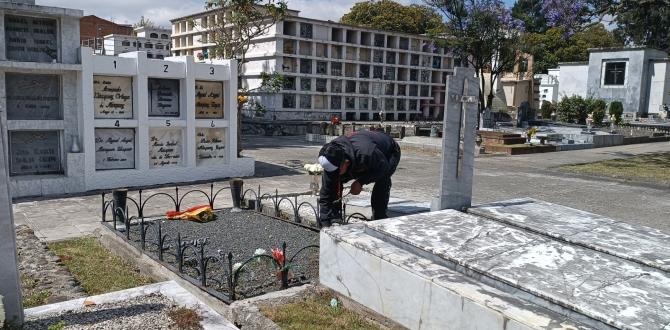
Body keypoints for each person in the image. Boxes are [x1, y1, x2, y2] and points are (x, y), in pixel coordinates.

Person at [317, 129, 401, 227]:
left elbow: (383, 169)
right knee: (335, 180)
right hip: (362, 148)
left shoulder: (367, 153)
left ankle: (379, 217)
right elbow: (326, 193)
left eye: (337, 171)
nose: (334, 173)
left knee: (383, 179)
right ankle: (335, 216)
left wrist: (361, 182)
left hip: (388, 151)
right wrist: (325, 221)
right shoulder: (331, 156)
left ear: (346, 162)